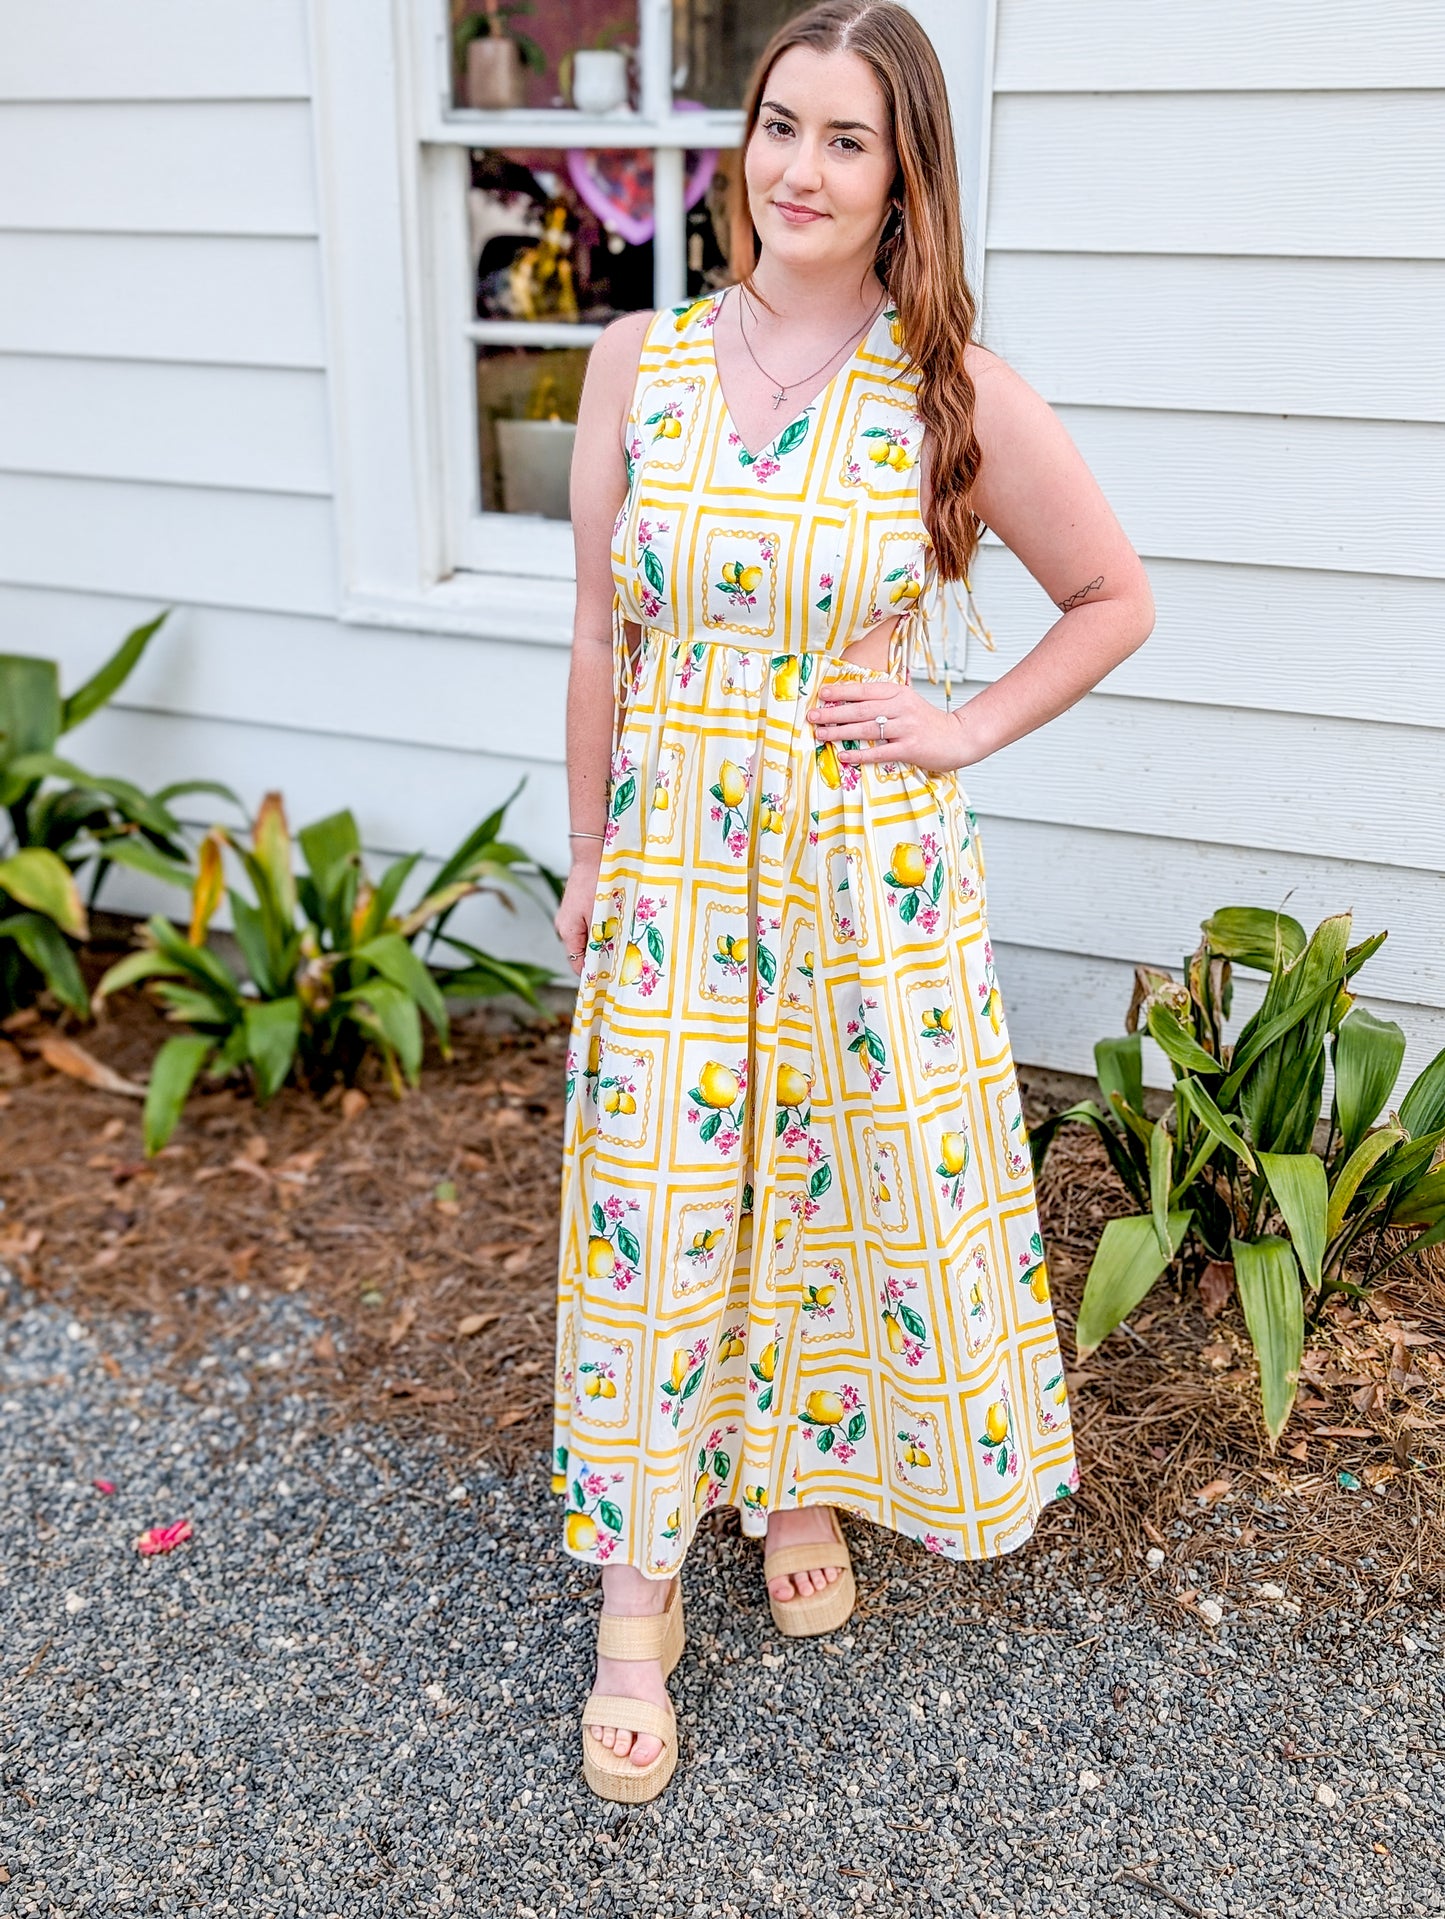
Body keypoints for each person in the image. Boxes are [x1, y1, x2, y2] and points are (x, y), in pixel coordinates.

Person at [550, 0, 1155, 1802]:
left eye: (844, 140)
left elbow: (1110, 594)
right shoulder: (635, 366)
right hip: (669, 860)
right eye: (778, 126)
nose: (797, 170)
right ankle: (635, 1600)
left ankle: (795, 1465)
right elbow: (599, 633)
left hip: (851, 867)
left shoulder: (946, 390)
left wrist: (959, 724)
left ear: (903, 179)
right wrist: (585, 858)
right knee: (658, 1205)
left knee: (822, 1175)